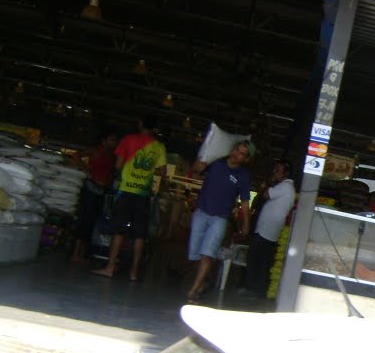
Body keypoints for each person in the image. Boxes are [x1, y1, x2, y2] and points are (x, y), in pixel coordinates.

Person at [92, 114, 168, 281]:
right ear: (155, 128)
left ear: (140, 123)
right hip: (143, 194)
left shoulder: (128, 140)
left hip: (126, 191)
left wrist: (130, 169)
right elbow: (162, 172)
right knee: (140, 235)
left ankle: (110, 268)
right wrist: (148, 172)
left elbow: (118, 165)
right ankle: (134, 273)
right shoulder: (159, 146)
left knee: (119, 231)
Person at [186, 139, 254, 302]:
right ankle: (202, 281)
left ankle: (194, 290)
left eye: (242, 153)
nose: (237, 154)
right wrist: (200, 161)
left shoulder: (243, 176)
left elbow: (245, 204)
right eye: (236, 149)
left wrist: (246, 227)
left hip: (220, 219)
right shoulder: (216, 162)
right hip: (201, 213)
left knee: (208, 254)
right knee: (195, 252)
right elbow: (195, 170)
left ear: (246, 159)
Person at [243, 159, 295, 297]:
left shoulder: (285, 187)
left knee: (255, 258)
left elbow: (266, 194)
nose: (274, 172)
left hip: (266, 231)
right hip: (268, 230)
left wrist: (269, 182)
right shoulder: (286, 187)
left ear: (285, 174)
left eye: (278, 170)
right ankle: (256, 288)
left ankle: (251, 287)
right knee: (262, 261)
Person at [69, 129, 118, 263]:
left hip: (102, 190)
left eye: (115, 140)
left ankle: (82, 253)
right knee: (84, 220)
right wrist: (86, 170)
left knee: (92, 221)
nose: (114, 142)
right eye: (112, 139)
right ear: (104, 140)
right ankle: (75, 253)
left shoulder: (113, 156)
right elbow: (76, 155)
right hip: (91, 188)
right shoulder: (95, 151)